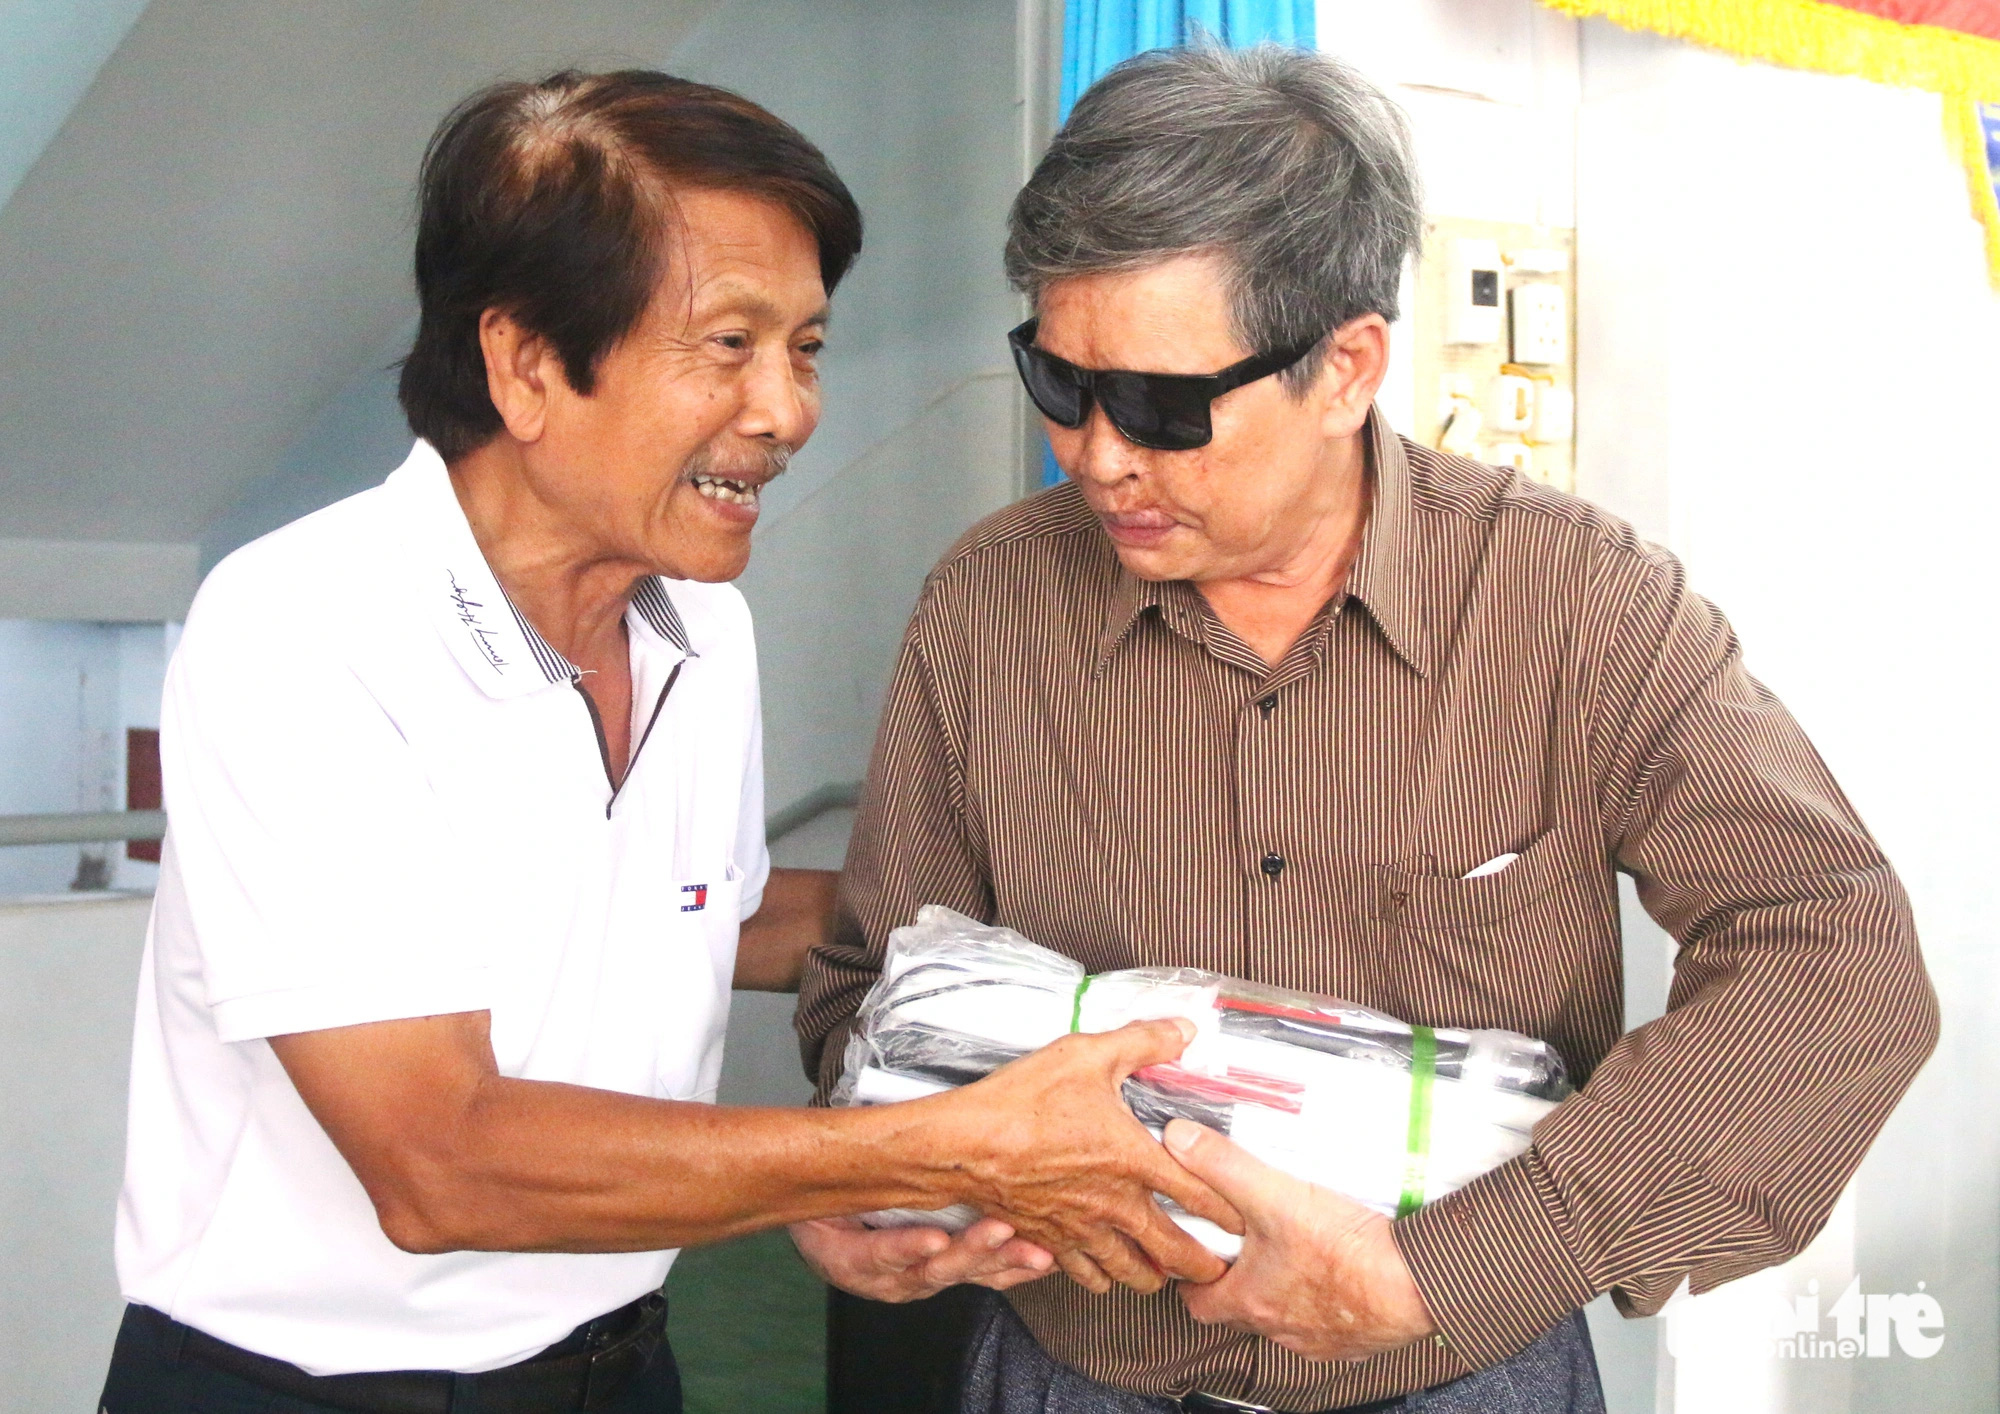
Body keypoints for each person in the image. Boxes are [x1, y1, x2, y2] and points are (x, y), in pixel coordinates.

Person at [795, 44, 1939, 1414]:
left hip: (1449, 1370)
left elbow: (1836, 957)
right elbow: (878, 983)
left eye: (1163, 405)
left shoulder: (1576, 607)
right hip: (1075, 1367)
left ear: (1345, 367)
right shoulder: (989, 608)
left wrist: (1447, 1270)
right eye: (1058, 383)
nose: (1098, 452)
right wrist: (862, 1163)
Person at [98, 69, 1238, 1414]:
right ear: (526, 363)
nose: (789, 410)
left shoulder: (699, 626)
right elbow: (440, 1159)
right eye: (729, 344)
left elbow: (722, 922)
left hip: (624, 1362)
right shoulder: (308, 627)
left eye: (806, 347)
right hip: (309, 1390)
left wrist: (1128, 977)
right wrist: (931, 1147)